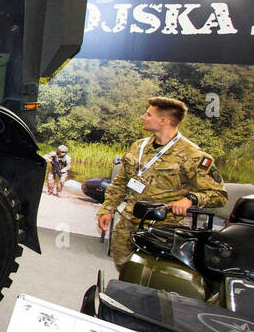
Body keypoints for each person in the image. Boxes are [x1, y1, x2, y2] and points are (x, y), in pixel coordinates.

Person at [97, 97, 227, 270]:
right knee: (125, 270)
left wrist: (190, 199)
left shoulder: (193, 155)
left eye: (148, 114)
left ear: (163, 121)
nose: (143, 117)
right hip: (128, 224)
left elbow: (219, 195)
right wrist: (107, 209)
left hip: (162, 230)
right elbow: (121, 182)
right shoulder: (138, 147)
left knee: (151, 276)